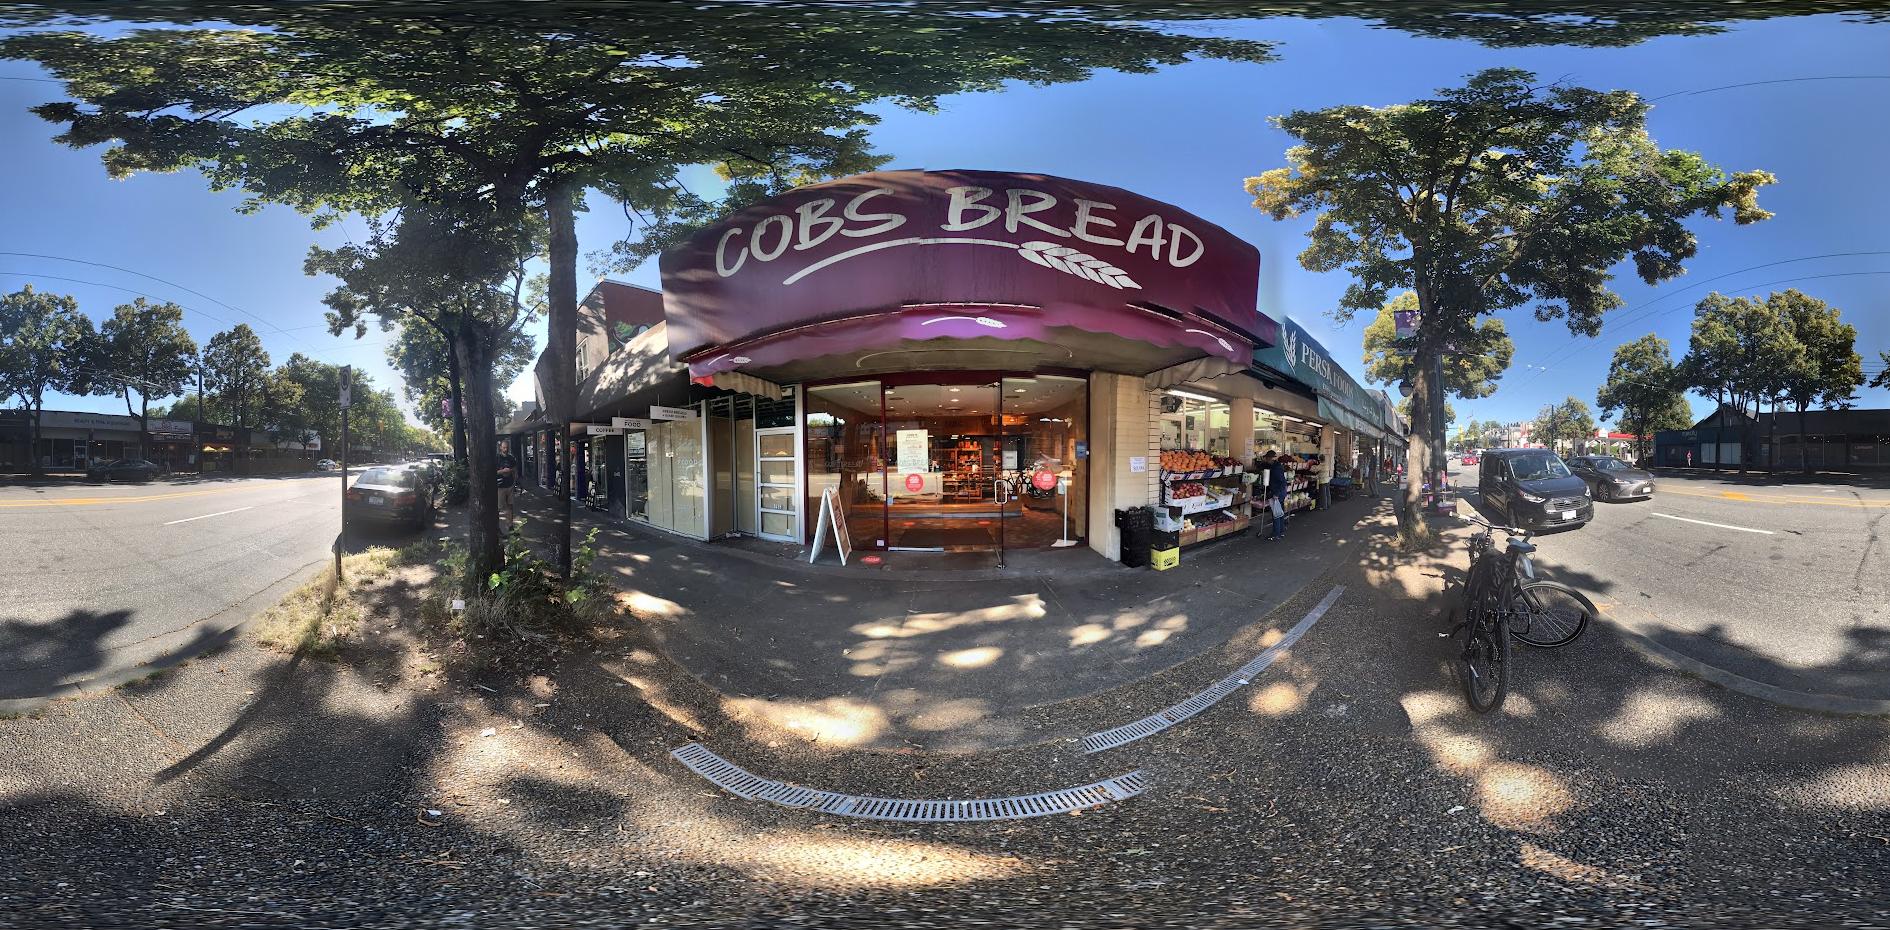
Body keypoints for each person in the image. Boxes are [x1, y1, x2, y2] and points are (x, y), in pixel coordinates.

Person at [1262, 451, 1289, 540]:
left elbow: (1282, 482)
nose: (1266, 460)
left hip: (1278, 493)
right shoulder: (1275, 466)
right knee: (1280, 513)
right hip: (1280, 492)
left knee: (1276, 513)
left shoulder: (1276, 468)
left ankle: (1275, 533)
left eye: (1266, 458)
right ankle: (1281, 531)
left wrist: (1276, 494)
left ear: (1270, 458)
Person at [497, 452, 517, 523]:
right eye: (504, 447)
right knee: (499, 508)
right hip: (500, 486)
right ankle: (496, 527)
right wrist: (502, 471)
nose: (505, 449)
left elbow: (514, 470)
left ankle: (510, 526)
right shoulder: (497, 458)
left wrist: (514, 482)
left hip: (510, 485)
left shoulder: (511, 458)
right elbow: (492, 472)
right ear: (500, 448)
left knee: (510, 506)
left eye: (507, 448)